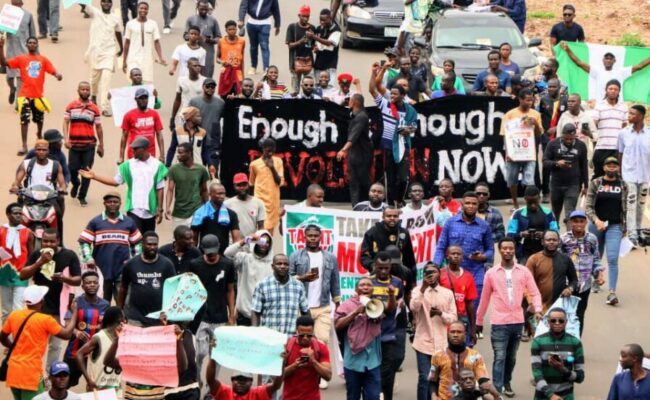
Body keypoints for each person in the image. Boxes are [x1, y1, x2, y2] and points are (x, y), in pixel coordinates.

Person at [476, 237, 543, 397]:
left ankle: (507, 382)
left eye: (510, 248)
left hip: (518, 321)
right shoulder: (491, 273)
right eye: (504, 248)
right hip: (499, 322)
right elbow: (484, 299)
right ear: (500, 250)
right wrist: (478, 322)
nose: (507, 251)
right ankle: (497, 390)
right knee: (500, 356)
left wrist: (538, 309)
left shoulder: (523, 271)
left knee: (511, 358)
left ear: (514, 250)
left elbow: (534, 292)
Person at [0, 286, 77, 400]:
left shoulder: (14, 315)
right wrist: (74, 313)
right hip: (30, 374)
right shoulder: (45, 320)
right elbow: (66, 334)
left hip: (13, 372)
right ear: (42, 301)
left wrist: (13, 346)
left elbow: (2, 337)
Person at [80, 136, 168, 234]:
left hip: (150, 211)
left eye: (136, 149)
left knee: (148, 239)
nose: (132, 150)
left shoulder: (157, 165)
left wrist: (160, 209)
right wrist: (95, 176)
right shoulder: (128, 165)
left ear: (144, 149)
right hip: (133, 209)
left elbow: (160, 188)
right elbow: (115, 182)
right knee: (135, 239)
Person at [20, 228, 81, 365]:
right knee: (36, 343)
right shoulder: (37, 255)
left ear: (58, 241)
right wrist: (40, 262)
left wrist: (65, 279)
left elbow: (78, 280)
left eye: (52, 241)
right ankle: (36, 373)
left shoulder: (69, 255)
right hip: (38, 308)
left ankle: (50, 374)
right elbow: (23, 275)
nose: (48, 244)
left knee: (55, 345)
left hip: (59, 308)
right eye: (45, 241)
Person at [0, 35, 62, 155]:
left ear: (37, 45)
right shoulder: (21, 59)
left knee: (39, 120)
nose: (32, 44)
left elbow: (53, 70)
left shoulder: (43, 59)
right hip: (24, 96)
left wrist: (57, 75)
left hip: (38, 97)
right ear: (27, 45)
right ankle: (24, 145)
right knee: (24, 120)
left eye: (34, 42)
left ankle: (39, 134)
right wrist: (1, 47)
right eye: (30, 42)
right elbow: (3, 62)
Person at [433, 192, 493, 313]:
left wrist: (482, 257)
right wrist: (435, 267)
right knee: (450, 308)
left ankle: (472, 331)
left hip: (475, 273)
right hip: (452, 273)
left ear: (478, 206)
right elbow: (441, 247)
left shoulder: (484, 226)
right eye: (468, 203)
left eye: (474, 204)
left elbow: (491, 250)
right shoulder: (450, 222)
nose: (471, 206)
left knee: (473, 310)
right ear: (462, 205)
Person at [190, 234, 236, 388]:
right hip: (200, 317)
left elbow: (230, 290)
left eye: (213, 252)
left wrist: (232, 314)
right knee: (200, 353)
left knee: (216, 355)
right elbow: (189, 289)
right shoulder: (195, 265)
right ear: (203, 250)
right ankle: (197, 379)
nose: (211, 256)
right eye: (208, 253)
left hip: (220, 317)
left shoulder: (227, 264)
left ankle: (212, 387)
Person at [79, 192, 142, 301]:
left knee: (122, 301)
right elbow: (84, 241)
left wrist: (134, 261)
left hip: (122, 269)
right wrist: (88, 258)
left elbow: (137, 243)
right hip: (101, 269)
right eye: (109, 202)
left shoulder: (129, 222)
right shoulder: (96, 222)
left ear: (120, 204)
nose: (112, 204)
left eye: (115, 202)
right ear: (104, 204)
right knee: (101, 302)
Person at [369, 64, 418, 205]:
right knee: (389, 178)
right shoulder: (385, 105)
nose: (392, 96)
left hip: (403, 148)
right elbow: (372, 89)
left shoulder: (410, 111)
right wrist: (373, 73)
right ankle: (391, 204)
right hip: (388, 147)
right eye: (391, 94)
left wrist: (408, 131)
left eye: (396, 94)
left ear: (403, 96)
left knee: (402, 178)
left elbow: (414, 127)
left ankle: (400, 199)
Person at [289, 225, 340, 357]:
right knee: (301, 341)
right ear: (304, 237)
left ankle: (321, 375)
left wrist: (337, 303)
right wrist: (302, 278)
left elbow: (335, 281)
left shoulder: (330, 257)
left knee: (322, 341)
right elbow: (287, 279)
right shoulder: (295, 256)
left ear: (320, 237)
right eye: (310, 236)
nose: (313, 238)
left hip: (323, 307)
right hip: (302, 308)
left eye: (315, 236)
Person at [103, 320, 187, 400]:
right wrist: (118, 339)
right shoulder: (131, 360)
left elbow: (182, 367)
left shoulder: (161, 361)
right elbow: (108, 361)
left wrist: (178, 341)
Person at [334, 277, 388, 400]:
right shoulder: (346, 305)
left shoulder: (377, 303)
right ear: (356, 289)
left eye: (368, 285)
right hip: (353, 362)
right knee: (353, 396)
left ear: (372, 289)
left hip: (373, 362)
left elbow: (388, 311)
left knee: (373, 396)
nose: (365, 287)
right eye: (362, 285)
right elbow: (336, 325)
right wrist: (355, 312)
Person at [410, 263, 457, 400]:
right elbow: (414, 307)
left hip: (442, 344)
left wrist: (441, 313)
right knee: (424, 377)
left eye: (433, 272)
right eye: (427, 272)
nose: (430, 275)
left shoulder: (447, 293)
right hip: (423, 342)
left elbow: (453, 318)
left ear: (439, 274)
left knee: (439, 378)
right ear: (423, 275)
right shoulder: (417, 291)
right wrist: (423, 288)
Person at [585, 156, 626, 304]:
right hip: (596, 225)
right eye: (609, 165)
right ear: (604, 168)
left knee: (613, 258)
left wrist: (625, 228)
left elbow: (627, 208)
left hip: (615, 225)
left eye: (614, 166)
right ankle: (596, 280)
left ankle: (612, 292)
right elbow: (588, 206)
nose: (612, 168)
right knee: (595, 255)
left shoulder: (623, 185)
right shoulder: (596, 183)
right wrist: (596, 220)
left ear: (618, 168)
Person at [62, 271, 110, 388]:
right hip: (75, 349)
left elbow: (108, 327)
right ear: (82, 286)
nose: (92, 285)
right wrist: (76, 332)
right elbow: (66, 324)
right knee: (66, 382)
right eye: (88, 283)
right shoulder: (76, 302)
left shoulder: (105, 305)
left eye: (95, 282)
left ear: (99, 285)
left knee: (95, 384)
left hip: (96, 352)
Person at [117, 231, 175, 327]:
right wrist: (119, 311)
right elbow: (123, 288)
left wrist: (169, 312)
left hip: (159, 317)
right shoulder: (131, 264)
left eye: (155, 244)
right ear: (142, 244)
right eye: (149, 244)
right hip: (135, 317)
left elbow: (173, 289)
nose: (152, 247)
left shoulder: (167, 264)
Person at [431, 321, 501, 400]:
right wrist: (433, 396)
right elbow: (432, 380)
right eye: (452, 332)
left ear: (465, 334)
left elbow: (482, 379)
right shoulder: (438, 355)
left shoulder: (475, 356)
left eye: (459, 332)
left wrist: (493, 393)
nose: (455, 335)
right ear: (448, 334)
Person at [559, 41, 650, 102]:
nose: (608, 60)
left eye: (611, 59)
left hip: (617, 105)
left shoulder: (621, 72)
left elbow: (640, 66)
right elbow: (579, 63)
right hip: (601, 105)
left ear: (614, 61)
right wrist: (568, 50)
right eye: (606, 58)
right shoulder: (597, 72)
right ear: (603, 60)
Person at [560, 210, 604, 335]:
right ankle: (564, 344)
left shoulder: (592, 239)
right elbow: (558, 261)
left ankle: (576, 343)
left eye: (581, 221)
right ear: (570, 223)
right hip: (567, 284)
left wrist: (599, 273)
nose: (578, 224)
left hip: (585, 285)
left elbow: (596, 258)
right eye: (575, 221)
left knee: (579, 315)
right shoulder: (564, 239)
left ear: (586, 222)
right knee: (565, 315)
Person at [63, 81, 104, 207]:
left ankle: (82, 196)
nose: (85, 91)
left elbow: (99, 128)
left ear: (90, 91)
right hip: (74, 145)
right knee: (72, 169)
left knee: (87, 172)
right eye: (83, 89)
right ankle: (76, 184)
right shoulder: (71, 106)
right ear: (78, 90)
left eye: (87, 89)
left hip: (89, 145)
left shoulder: (94, 108)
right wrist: (66, 139)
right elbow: (65, 123)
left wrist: (101, 145)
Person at [501, 89, 543, 209]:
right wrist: (508, 152)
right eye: (527, 100)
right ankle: (515, 203)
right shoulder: (510, 114)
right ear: (520, 99)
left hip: (529, 152)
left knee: (530, 180)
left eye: (532, 100)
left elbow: (539, 134)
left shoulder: (535, 114)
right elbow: (505, 134)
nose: (530, 102)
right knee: (512, 180)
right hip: (513, 152)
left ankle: (530, 204)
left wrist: (535, 123)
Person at [368, 253, 402, 400]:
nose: (383, 271)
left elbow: (395, 308)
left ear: (390, 267)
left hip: (388, 334)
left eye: (386, 268)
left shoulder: (397, 282)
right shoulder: (367, 282)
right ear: (375, 266)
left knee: (388, 372)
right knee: (371, 371)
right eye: (380, 268)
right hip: (369, 335)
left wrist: (392, 298)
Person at [531, 308, 585, 399]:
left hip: (566, 396)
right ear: (548, 322)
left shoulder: (575, 343)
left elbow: (580, 377)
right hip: (543, 396)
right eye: (553, 320)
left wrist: (563, 369)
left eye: (561, 320)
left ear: (566, 322)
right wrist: (550, 395)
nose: (557, 323)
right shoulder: (538, 342)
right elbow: (537, 374)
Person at [224, 230, 273, 326]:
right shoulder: (245, 258)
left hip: (265, 316)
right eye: (261, 241)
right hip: (245, 315)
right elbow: (227, 254)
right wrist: (245, 241)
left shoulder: (273, 264)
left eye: (267, 242)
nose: (264, 244)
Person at [251, 254, 309, 336]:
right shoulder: (262, 285)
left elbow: (305, 311)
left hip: (291, 338)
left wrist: (310, 333)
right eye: (279, 264)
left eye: (286, 264)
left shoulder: (298, 285)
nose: (282, 266)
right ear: (272, 266)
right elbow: (255, 312)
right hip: (269, 337)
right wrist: (255, 333)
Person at [542, 123, 589, 225]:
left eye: (571, 139)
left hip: (573, 185)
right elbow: (545, 162)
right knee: (555, 214)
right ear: (562, 135)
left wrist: (586, 185)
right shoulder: (552, 144)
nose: (568, 141)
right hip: (556, 184)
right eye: (566, 138)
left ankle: (569, 238)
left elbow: (584, 166)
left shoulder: (581, 145)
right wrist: (557, 163)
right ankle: (555, 236)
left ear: (575, 136)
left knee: (570, 214)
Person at [617, 105, 650, 247]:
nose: (628, 116)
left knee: (641, 206)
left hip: (645, 176)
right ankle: (632, 235)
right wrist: (619, 173)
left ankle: (637, 230)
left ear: (641, 116)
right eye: (628, 113)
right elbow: (620, 154)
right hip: (628, 175)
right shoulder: (623, 133)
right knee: (630, 205)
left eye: (632, 113)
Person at [84, 0, 123, 116]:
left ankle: (104, 106)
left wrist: (121, 48)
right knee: (94, 79)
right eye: (104, 2)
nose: (106, 4)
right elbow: (84, 5)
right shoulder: (95, 13)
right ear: (100, 3)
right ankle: (94, 95)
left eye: (109, 2)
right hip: (95, 51)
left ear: (111, 4)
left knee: (106, 79)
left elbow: (118, 32)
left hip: (109, 51)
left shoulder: (115, 18)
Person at [74, 306, 125, 394]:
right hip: (98, 390)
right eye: (123, 320)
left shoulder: (123, 338)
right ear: (118, 321)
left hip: (116, 390)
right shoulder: (99, 337)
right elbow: (79, 354)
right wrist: (88, 379)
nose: (124, 322)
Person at [526, 230, 579, 312]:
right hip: (538, 306)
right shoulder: (533, 259)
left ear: (559, 242)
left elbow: (574, 280)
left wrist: (570, 289)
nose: (551, 242)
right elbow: (527, 285)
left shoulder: (566, 259)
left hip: (559, 306)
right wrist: (532, 303)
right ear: (542, 242)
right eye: (548, 240)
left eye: (554, 240)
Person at [283, 315, 332, 400]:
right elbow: (277, 377)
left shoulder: (320, 348)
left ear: (313, 331)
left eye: (309, 335)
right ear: (296, 331)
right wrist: (294, 366)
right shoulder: (286, 347)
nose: (305, 338)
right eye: (302, 335)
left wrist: (313, 361)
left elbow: (328, 376)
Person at [0, 203, 34, 323]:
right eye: (16, 213)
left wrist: (31, 270)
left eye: (21, 213)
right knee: (6, 311)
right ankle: (6, 339)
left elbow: (31, 254)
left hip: (21, 275)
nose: (19, 216)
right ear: (8, 215)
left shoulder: (28, 232)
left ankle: (17, 339)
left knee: (19, 309)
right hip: (4, 274)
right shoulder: (1, 230)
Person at [439, 246, 478, 346]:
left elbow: (469, 304)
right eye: (453, 253)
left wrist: (473, 329)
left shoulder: (468, 276)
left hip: (460, 320)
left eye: (458, 254)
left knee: (461, 354)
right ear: (447, 256)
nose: (456, 256)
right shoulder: (440, 274)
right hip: (443, 320)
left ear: (462, 257)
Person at [165, 142, 210, 228]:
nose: (178, 155)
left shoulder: (201, 170)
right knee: (178, 238)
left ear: (189, 153)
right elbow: (170, 190)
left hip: (196, 211)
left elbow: (204, 190)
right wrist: (167, 208)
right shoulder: (174, 169)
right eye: (178, 152)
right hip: (179, 212)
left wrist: (207, 208)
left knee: (193, 239)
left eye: (181, 152)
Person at [360, 207, 416, 274]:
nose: (392, 218)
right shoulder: (372, 233)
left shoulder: (404, 233)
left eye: (395, 216)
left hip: (398, 273)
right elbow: (364, 256)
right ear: (383, 217)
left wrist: (412, 280)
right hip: (378, 272)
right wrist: (373, 266)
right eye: (389, 216)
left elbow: (409, 258)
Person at [537, 78, 568, 202]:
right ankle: (545, 192)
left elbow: (567, 117)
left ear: (559, 87)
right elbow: (540, 115)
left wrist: (557, 127)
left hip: (560, 136)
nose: (551, 89)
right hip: (546, 137)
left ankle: (561, 190)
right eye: (549, 86)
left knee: (562, 163)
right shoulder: (543, 100)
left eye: (554, 86)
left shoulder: (565, 100)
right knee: (547, 164)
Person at [191, 182, 241, 254]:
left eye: (223, 193)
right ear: (210, 194)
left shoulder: (231, 214)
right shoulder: (200, 213)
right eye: (219, 193)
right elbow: (194, 239)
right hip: (204, 255)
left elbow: (236, 240)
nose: (222, 196)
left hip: (224, 255)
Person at [122, 2, 166, 83]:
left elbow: (156, 41)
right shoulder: (130, 24)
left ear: (148, 10)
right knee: (133, 80)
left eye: (145, 9)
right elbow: (127, 43)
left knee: (146, 81)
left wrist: (160, 57)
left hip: (147, 59)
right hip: (133, 58)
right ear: (137, 9)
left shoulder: (153, 24)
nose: (143, 10)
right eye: (141, 8)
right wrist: (124, 61)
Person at [592, 80, 628, 178]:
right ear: (606, 90)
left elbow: (625, 124)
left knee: (616, 176)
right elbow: (593, 124)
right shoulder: (599, 106)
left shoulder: (623, 107)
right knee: (599, 174)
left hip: (617, 148)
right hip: (601, 146)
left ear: (619, 91)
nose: (613, 91)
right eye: (610, 89)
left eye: (616, 89)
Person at [189, 78, 224, 176]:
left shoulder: (221, 103)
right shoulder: (194, 101)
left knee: (214, 173)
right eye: (207, 86)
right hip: (198, 142)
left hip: (214, 143)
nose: (210, 89)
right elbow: (187, 119)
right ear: (203, 87)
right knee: (197, 174)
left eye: (213, 87)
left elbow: (229, 118)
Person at [120, 88, 165, 163]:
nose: (143, 100)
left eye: (145, 98)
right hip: (134, 155)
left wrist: (162, 155)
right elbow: (124, 137)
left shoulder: (154, 114)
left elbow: (159, 134)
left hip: (150, 155)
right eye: (140, 98)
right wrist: (121, 157)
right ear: (136, 99)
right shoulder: (128, 115)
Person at [249, 138, 285, 233]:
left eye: (272, 151)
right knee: (260, 230)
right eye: (268, 151)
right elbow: (251, 183)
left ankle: (267, 247)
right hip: (259, 201)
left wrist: (272, 167)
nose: (270, 154)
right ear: (263, 149)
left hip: (272, 203)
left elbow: (279, 182)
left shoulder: (278, 162)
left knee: (269, 233)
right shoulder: (254, 164)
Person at [237, 0, 281, 76]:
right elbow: (243, 6)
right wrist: (241, 19)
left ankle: (266, 68)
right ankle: (253, 66)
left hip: (265, 23)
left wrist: (277, 25)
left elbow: (276, 9)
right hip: (251, 23)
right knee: (253, 46)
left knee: (264, 46)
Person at [5, 0, 35, 108]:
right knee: (9, 77)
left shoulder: (28, 15)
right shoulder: (6, 16)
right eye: (14, 4)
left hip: (24, 53)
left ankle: (19, 104)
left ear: (22, 4)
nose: (16, 6)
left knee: (20, 78)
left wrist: (36, 53)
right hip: (10, 53)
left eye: (18, 4)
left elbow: (33, 35)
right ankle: (12, 88)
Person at [206, 358, 282, 400]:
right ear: (232, 380)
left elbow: (276, 385)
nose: (240, 382)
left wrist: (282, 362)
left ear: (251, 381)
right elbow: (210, 380)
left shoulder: (257, 393)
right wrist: (213, 357)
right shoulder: (225, 392)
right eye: (237, 379)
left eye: (245, 380)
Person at [557, 93, 598, 162]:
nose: (570, 103)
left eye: (573, 101)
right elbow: (558, 136)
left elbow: (596, 136)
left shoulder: (586, 117)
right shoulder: (564, 116)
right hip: (567, 152)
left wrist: (589, 134)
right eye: (569, 101)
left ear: (579, 103)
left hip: (583, 151)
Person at [185, 0, 221, 78]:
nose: (204, 11)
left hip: (208, 53)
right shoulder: (191, 19)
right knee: (192, 75)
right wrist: (193, 37)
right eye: (202, 9)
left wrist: (211, 40)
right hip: (193, 51)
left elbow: (219, 38)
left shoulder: (213, 20)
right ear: (197, 7)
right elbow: (185, 35)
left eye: (206, 9)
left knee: (207, 77)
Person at [225, 173, 266, 238]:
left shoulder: (258, 203)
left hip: (252, 243)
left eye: (244, 185)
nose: (242, 188)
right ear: (234, 186)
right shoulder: (227, 204)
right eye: (238, 185)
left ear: (248, 185)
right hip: (234, 244)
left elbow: (261, 227)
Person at [286, 5, 316, 94]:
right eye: (303, 16)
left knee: (308, 90)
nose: (306, 19)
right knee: (295, 90)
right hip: (295, 63)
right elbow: (290, 46)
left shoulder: (312, 28)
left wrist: (315, 47)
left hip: (308, 62)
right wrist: (301, 41)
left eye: (307, 16)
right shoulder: (292, 27)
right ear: (299, 15)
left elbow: (314, 45)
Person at [313, 9, 341, 81]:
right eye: (320, 20)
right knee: (318, 86)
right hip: (319, 63)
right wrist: (315, 48)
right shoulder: (319, 29)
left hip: (330, 64)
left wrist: (314, 37)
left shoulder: (336, 30)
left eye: (324, 20)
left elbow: (329, 43)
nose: (322, 22)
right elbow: (315, 44)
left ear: (330, 18)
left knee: (330, 88)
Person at [475, 182, 505, 246]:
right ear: (474, 194)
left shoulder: (495, 212)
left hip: (488, 249)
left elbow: (501, 233)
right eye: (478, 193)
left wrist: (485, 238)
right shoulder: (467, 211)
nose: (481, 196)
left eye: (484, 194)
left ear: (488, 195)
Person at [216, 20, 246, 84]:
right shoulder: (221, 41)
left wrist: (243, 76)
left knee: (238, 91)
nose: (232, 31)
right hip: (226, 71)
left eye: (234, 29)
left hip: (237, 71)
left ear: (236, 29)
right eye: (229, 29)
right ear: (226, 30)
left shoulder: (241, 42)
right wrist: (223, 62)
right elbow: (217, 59)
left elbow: (242, 60)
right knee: (224, 93)